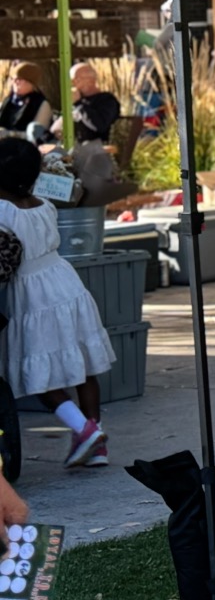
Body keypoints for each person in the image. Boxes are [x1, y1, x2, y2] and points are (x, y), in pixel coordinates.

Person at [0, 139, 114, 468]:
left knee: (36, 373)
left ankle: (83, 429)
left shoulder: (2, 212)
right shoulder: (45, 205)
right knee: (83, 365)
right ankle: (96, 437)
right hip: (65, 284)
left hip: (32, 294)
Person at [61, 63, 121, 145]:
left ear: (91, 80)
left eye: (76, 79)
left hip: (98, 149)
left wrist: (78, 104)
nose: (72, 83)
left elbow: (99, 126)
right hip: (76, 148)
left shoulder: (107, 100)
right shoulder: (78, 101)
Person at [0, 64, 52, 134]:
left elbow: (37, 136)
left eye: (19, 79)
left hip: (24, 144)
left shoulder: (41, 104)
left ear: (31, 83)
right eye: (13, 79)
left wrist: (9, 134)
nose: (15, 82)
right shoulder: (7, 101)